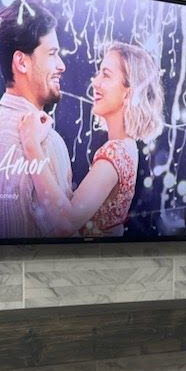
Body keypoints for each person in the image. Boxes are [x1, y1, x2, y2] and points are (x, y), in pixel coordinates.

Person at [20, 42, 164, 238]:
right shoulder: (128, 147)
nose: (95, 83)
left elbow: (66, 223)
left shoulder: (115, 152)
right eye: (99, 73)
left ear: (128, 91)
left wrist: (31, 145)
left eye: (106, 74)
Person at [0, 0, 72, 239]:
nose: (61, 66)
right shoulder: (47, 142)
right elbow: (67, 228)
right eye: (52, 54)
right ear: (22, 62)